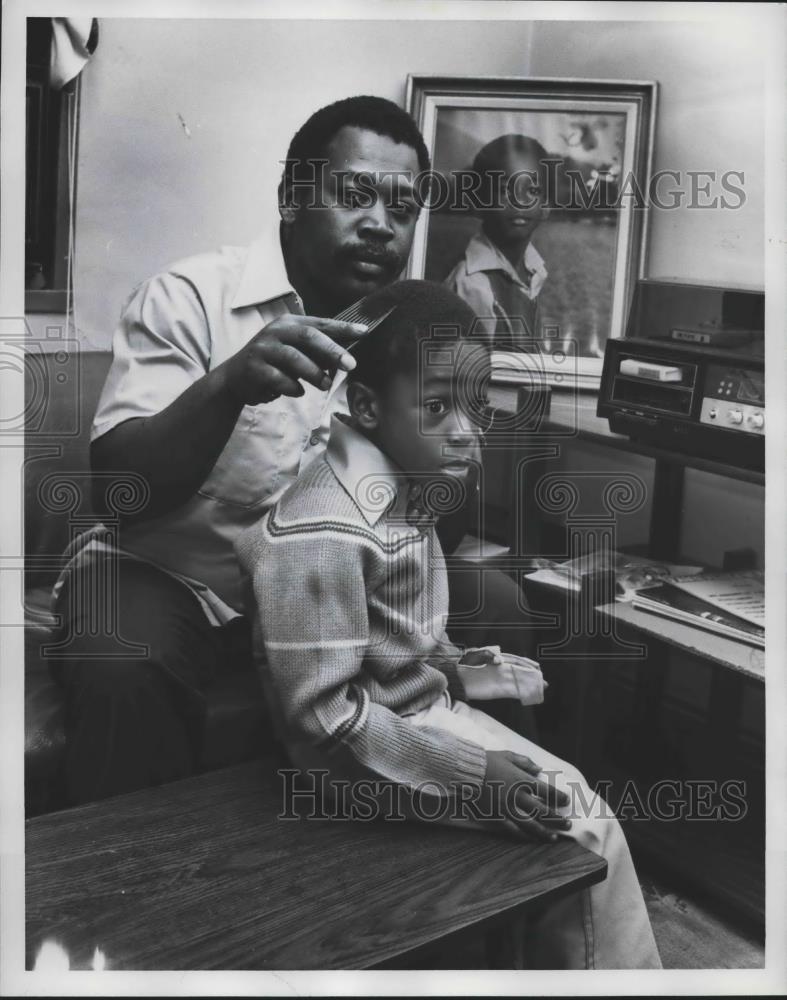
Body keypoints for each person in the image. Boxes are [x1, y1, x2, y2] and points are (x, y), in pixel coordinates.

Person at [50, 95, 534, 806]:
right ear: (291, 195)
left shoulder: (412, 331)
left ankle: (480, 863)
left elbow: (431, 528)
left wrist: (445, 455)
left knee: (500, 602)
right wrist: (228, 386)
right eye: (354, 195)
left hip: (337, 584)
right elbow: (122, 493)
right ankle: (145, 904)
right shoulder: (188, 298)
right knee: (122, 662)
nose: (379, 224)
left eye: (401, 209)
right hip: (173, 576)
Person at [235, 280, 661, 970]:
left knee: (567, 798)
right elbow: (322, 724)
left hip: (411, 721)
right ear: (367, 407)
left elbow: (393, 641)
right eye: (437, 406)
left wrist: (462, 665)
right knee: (585, 827)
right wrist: (472, 775)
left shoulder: (397, 489)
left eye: (474, 404)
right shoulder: (323, 529)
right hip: (361, 759)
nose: (465, 428)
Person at [445, 133, 550, 349]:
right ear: (478, 203)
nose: (520, 201)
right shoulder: (473, 286)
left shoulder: (534, 268)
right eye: (505, 190)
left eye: (532, 190)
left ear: (546, 207)